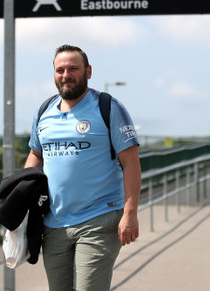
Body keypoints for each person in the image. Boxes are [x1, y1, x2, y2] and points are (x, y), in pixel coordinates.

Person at [24, 44, 141, 291]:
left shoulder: (108, 107)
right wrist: (23, 197)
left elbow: (131, 164)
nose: (66, 75)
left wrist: (130, 213)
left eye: (73, 69)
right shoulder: (44, 111)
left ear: (88, 71)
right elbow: (35, 155)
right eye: (60, 70)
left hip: (100, 219)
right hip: (53, 223)